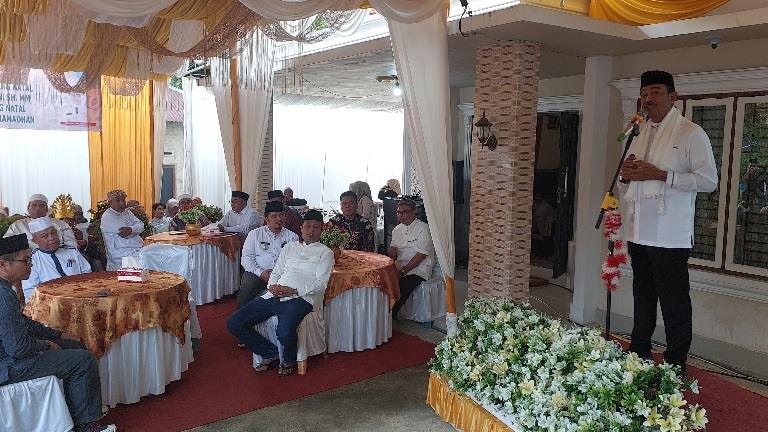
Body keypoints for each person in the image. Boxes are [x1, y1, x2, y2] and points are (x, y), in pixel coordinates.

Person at [618, 70, 718, 375]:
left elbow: (708, 181)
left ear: (673, 97)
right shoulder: (637, 131)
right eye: (645, 93)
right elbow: (626, 181)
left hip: (670, 236)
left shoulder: (691, 133)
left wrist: (660, 174)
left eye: (656, 92)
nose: (649, 99)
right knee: (642, 295)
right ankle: (639, 350)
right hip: (639, 230)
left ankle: (675, 361)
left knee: (673, 301)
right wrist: (626, 175)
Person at [0, 234, 114, 432]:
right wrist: (45, 344)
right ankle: (87, 425)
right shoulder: (3, 296)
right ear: (3, 265)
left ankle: (75, 411)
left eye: (30, 259)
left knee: (75, 345)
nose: (30, 265)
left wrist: (56, 335)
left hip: (10, 356)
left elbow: (23, 323)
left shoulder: (5, 288)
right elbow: (17, 348)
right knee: (83, 361)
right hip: (8, 366)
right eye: (25, 261)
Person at [227, 210, 333, 376]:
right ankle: (270, 352)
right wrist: (272, 286)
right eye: (307, 226)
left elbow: (321, 284)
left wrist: (295, 290)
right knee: (234, 323)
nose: (311, 231)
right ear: (301, 228)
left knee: (284, 332)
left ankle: (289, 359)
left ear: (322, 230)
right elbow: (276, 272)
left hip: (301, 298)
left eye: (316, 227)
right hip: (275, 294)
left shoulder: (325, 252)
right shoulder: (290, 247)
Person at [238, 201, 299, 308]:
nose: (279, 219)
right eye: (274, 216)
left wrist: (279, 274)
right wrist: (261, 273)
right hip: (257, 273)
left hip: (282, 275)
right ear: (266, 219)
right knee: (247, 285)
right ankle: (241, 315)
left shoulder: (292, 237)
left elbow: (294, 261)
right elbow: (246, 259)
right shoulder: (255, 234)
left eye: (281, 215)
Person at [21, 217, 92, 303]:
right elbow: (30, 291)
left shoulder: (72, 252)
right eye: (45, 236)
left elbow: (87, 274)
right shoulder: (33, 260)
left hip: (81, 298)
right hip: (52, 304)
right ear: (35, 241)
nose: (52, 238)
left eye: (53, 233)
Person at [388, 200, 435, 319]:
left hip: (419, 268)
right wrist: (391, 260)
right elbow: (393, 252)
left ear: (414, 212)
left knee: (403, 286)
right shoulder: (397, 229)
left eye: (404, 212)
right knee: (383, 281)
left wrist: (403, 272)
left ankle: (390, 315)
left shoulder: (424, 228)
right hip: (400, 265)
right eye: (398, 212)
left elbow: (421, 256)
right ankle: (381, 311)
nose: (400, 215)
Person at [3, 194, 78, 249]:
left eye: (42, 205)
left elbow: (71, 244)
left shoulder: (61, 224)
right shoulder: (18, 225)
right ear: (28, 208)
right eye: (34, 205)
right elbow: (7, 244)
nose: (38, 208)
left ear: (46, 209)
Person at [100, 190, 145, 270]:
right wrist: (134, 230)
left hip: (135, 250)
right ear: (110, 203)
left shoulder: (127, 212)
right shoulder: (107, 217)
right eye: (118, 200)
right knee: (149, 259)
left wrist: (131, 229)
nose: (121, 203)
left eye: (123, 200)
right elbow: (125, 234)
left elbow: (141, 225)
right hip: (121, 256)